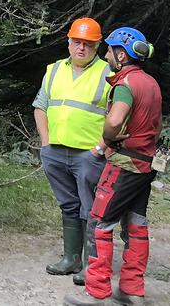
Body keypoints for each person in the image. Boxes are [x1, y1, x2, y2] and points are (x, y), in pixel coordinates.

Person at [63, 28, 161, 306]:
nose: (106, 55)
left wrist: (107, 137)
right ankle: (132, 290)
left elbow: (116, 120)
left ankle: (97, 294)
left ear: (121, 54)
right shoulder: (151, 83)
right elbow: (158, 125)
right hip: (146, 163)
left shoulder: (125, 84)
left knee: (99, 224)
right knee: (137, 224)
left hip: (124, 163)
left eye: (109, 50)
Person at [34, 18, 112, 280]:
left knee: (91, 209)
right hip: (55, 151)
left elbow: (116, 116)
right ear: (68, 43)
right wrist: (45, 143)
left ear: (97, 46)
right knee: (68, 205)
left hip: (89, 155)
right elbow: (40, 107)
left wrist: (100, 148)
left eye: (88, 44)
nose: (81, 48)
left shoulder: (108, 73)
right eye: (77, 42)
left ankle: (93, 265)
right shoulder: (54, 70)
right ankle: (71, 259)